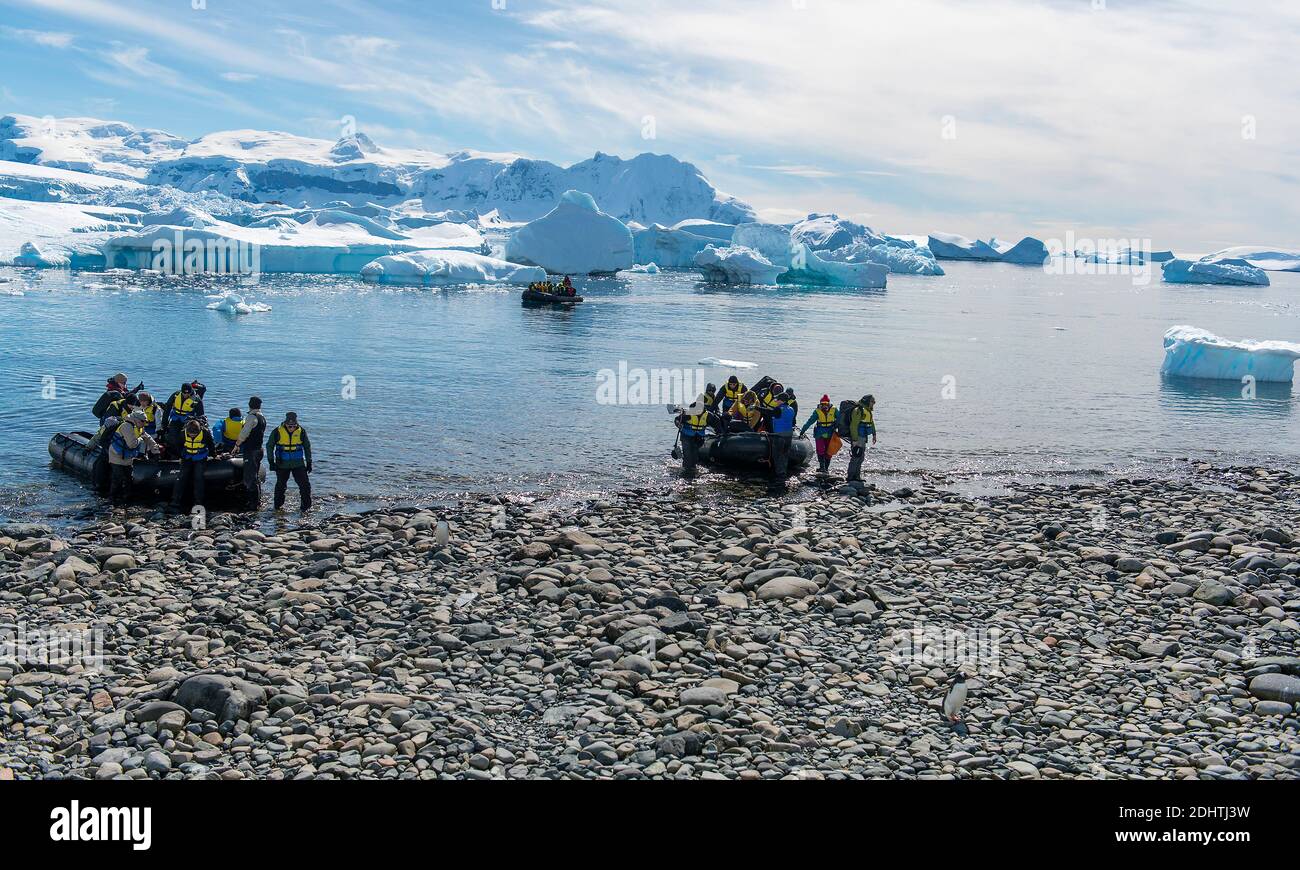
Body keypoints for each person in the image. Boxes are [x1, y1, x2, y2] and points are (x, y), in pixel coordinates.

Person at [107, 410, 158, 503]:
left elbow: (149, 439)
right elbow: (132, 444)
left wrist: (155, 450)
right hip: (117, 456)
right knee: (118, 478)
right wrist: (140, 439)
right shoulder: (126, 426)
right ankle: (112, 498)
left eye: (146, 422)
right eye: (143, 421)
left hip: (128, 457)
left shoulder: (139, 428)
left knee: (128, 478)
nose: (144, 424)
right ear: (137, 420)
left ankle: (127, 498)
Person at [268, 412, 312, 512]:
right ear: (285, 423)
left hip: (298, 464)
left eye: (293, 425)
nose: (291, 427)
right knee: (280, 486)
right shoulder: (277, 431)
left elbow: (307, 447)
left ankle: (306, 508)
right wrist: (271, 462)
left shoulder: (302, 432)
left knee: (305, 485)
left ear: (296, 424)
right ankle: (277, 508)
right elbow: (269, 446)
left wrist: (309, 462)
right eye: (289, 425)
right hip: (282, 464)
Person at [171, 419, 215, 513]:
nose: (192, 436)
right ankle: (175, 501)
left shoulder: (205, 433)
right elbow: (178, 445)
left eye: (194, 434)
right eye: (190, 434)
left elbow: (211, 445)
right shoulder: (183, 433)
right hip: (187, 456)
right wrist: (180, 456)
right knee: (181, 477)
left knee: (199, 478)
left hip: (200, 457)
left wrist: (214, 455)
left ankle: (198, 502)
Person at [233, 396, 268, 508]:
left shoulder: (251, 417)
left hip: (251, 450)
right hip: (259, 449)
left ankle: (252, 503)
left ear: (250, 405)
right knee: (255, 476)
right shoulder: (262, 417)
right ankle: (258, 500)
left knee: (249, 477)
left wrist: (237, 445)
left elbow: (244, 433)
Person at [162, 382, 204, 458]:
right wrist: (164, 423)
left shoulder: (197, 399)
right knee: (172, 437)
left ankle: (186, 455)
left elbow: (200, 415)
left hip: (188, 422)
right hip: (176, 419)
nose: (186, 395)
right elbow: (167, 408)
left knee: (185, 438)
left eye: (188, 393)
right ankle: (175, 454)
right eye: (184, 393)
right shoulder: (175, 395)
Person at [800, 394, 840, 474]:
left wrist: (838, 427)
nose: (824, 406)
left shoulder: (834, 410)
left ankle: (826, 468)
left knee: (829, 451)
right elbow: (810, 421)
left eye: (826, 404)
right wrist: (803, 431)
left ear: (829, 404)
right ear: (820, 404)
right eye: (823, 404)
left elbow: (840, 420)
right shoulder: (817, 411)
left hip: (830, 433)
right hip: (819, 433)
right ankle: (822, 467)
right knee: (820, 450)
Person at [676, 394, 711, 475]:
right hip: (686, 436)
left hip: (698, 437)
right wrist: (679, 425)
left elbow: (717, 425)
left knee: (695, 456)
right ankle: (686, 470)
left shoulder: (708, 415)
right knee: (688, 455)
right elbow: (677, 420)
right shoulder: (689, 413)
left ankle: (692, 469)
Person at [846, 394, 878, 482]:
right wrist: (855, 440)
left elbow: (871, 423)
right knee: (856, 456)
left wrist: (874, 434)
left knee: (861, 457)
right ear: (867, 401)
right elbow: (853, 426)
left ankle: (857, 476)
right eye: (872, 402)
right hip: (858, 437)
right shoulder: (858, 410)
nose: (873, 404)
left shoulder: (867, 411)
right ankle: (850, 477)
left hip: (863, 437)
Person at [769, 392, 796, 478]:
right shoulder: (791, 409)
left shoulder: (778, 409)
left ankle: (780, 474)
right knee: (785, 455)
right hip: (789, 435)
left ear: (782, 401)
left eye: (778, 400)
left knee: (777, 455)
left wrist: (756, 407)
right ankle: (783, 472)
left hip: (779, 435)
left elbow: (768, 412)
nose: (776, 401)